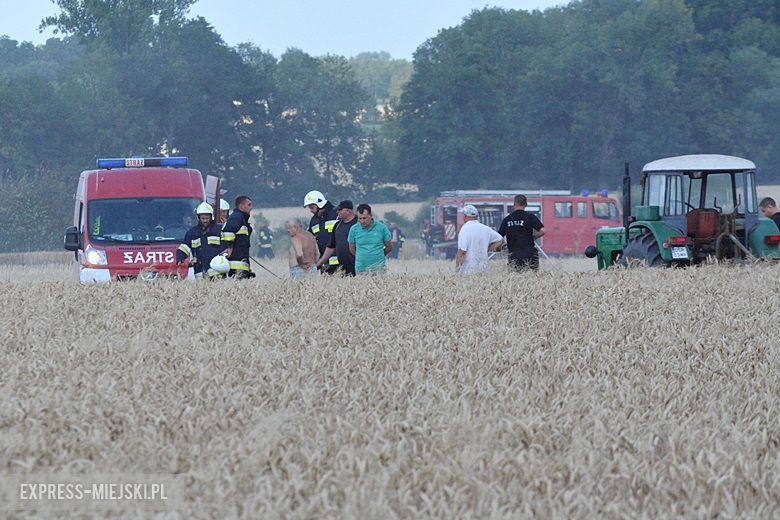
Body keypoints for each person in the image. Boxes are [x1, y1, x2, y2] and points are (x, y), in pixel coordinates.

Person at [176, 202, 225, 278]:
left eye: (207, 218)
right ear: (198, 218)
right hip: (199, 270)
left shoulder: (219, 230)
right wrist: (180, 257)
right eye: (203, 218)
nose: (205, 221)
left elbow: (227, 246)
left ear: (211, 217)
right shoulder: (192, 233)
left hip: (217, 270)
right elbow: (184, 247)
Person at [498, 194, 546, 271]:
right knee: (532, 279)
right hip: (530, 255)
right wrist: (535, 237)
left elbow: (499, 237)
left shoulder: (507, 219)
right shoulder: (530, 217)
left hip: (514, 255)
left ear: (514, 204)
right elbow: (543, 230)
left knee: (515, 280)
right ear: (526, 204)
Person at [455, 204, 504, 275]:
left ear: (465, 216)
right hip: (483, 269)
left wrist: (457, 269)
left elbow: (462, 251)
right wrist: (488, 249)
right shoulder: (485, 228)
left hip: (468, 272)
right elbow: (501, 240)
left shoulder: (464, 229)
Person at [316, 200, 358, 276]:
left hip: (358, 266)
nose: (337, 212)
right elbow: (331, 247)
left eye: (339, 210)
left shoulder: (359, 223)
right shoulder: (337, 226)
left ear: (347, 210)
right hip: (343, 268)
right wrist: (319, 263)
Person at [348, 204, 393, 274]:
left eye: (364, 218)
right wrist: (361, 256)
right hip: (361, 268)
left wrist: (378, 255)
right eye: (360, 218)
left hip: (378, 268)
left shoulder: (382, 228)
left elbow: (389, 247)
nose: (362, 221)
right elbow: (351, 248)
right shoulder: (354, 229)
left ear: (371, 216)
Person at [303, 190, 340, 274]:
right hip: (324, 264)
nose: (311, 211)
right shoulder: (314, 221)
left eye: (311, 207)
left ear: (320, 204)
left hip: (341, 262)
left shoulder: (337, 214)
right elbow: (309, 239)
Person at [221, 195, 255, 278]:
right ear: (241, 206)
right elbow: (228, 232)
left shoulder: (242, 219)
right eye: (249, 205)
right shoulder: (237, 217)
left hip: (241, 262)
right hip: (235, 264)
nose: (251, 208)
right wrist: (230, 246)